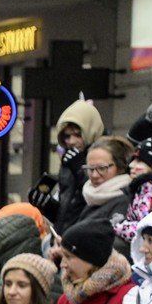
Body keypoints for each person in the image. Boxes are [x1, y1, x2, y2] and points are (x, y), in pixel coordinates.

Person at [48, 96, 106, 234]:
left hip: (85, 235)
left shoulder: (105, 154)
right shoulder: (69, 159)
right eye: (67, 136)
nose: (71, 141)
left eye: (77, 135)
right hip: (64, 235)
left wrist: (80, 168)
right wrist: (48, 206)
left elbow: (98, 194)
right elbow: (67, 204)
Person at [67, 135, 135, 244]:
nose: (94, 175)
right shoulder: (92, 197)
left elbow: (115, 245)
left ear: (121, 167)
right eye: (90, 169)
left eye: (102, 168)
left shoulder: (125, 201)